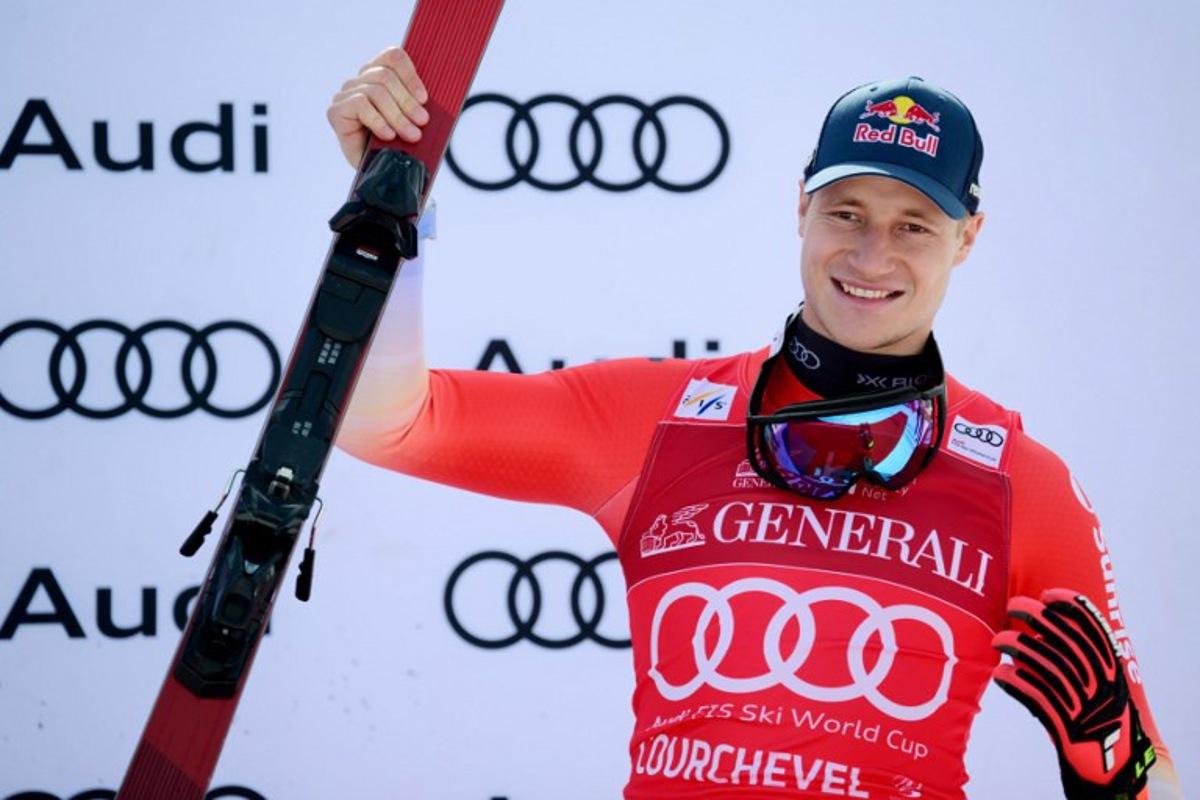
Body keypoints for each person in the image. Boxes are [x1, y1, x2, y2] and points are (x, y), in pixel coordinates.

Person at [328, 47, 1183, 799]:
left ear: (967, 238)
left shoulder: (1017, 480)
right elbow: (387, 422)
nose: (871, 254)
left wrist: (1115, 763)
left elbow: (1153, 785)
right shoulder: (663, 422)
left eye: (914, 224)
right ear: (800, 207)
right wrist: (390, 208)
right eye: (845, 211)